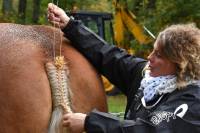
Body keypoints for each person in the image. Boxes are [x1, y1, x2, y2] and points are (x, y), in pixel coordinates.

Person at [47, 3, 200, 133]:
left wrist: (89, 122)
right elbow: (108, 55)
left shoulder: (192, 99)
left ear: (179, 64)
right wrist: (69, 25)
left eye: (158, 55)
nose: (149, 57)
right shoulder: (146, 76)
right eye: (153, 50)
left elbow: (149, 130)